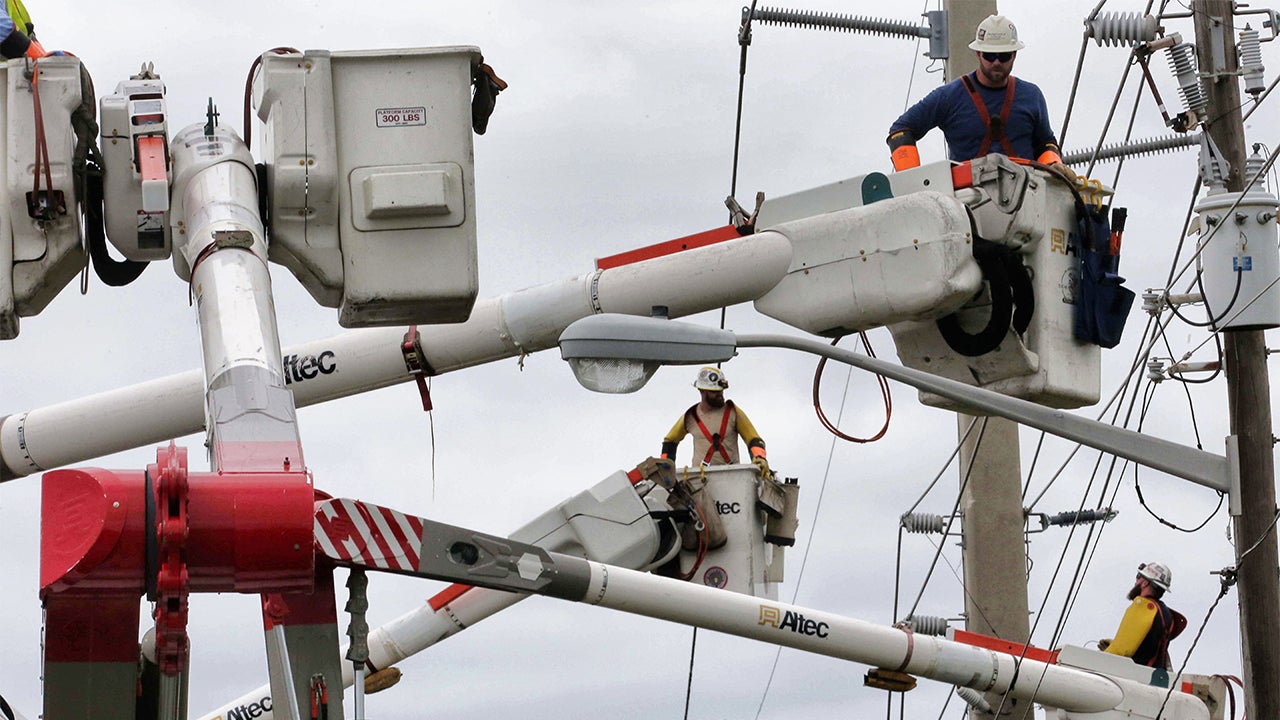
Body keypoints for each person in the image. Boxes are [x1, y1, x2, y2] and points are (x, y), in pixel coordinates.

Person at [886, 14, 1072, 179]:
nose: (997, 62)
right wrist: (911, 180)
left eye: (1004, 56)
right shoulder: (950, 97)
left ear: (1014, 55)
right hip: (970, 203)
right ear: (978, 54)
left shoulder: (1031, 96)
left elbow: (1046, 143)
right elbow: (900, 131)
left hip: (1027, 199)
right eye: (990, 56)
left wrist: (1053, 164)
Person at [661, 366, 769, 473]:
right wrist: (666, 469)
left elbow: (753, 439)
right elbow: (670, 441)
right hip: (700, 480)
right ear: (702, 391)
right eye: (715, 392)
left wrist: (759, 457)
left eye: (721, 391)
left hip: (732, 478)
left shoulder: (732, 412)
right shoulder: (691, 416)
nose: (720, 395)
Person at [1099, 561, 1187, 669]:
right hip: (1151, 675)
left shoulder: (1144, 606)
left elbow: (1122, 651)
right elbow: (1149, 646)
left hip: (1133, 674)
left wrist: (1103, 657)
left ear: (1145, 583)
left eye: (1138, 577)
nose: (1136, 582)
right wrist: (1114, 643)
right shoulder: (1165, 612)